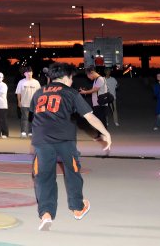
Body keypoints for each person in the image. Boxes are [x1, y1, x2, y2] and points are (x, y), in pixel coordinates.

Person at [31, 63, 111, 231]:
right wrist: (105, 133)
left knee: (43, 177)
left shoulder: (39, 92)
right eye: (72, 77)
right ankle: (77, 207)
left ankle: (46, 214)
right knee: (72, 172)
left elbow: (34, 112)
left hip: (41, 140)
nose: (72, 81)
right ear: (66, 77)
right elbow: (89, 117)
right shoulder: (70, 93)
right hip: (65, 140)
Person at [79, 67, 108, 139]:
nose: (88, 77)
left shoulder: (100, 79)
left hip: (101, 103)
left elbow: (95, 90)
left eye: (88, 75)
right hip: (97, 103)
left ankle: (104, 135)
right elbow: (94, 90)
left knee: (101, 120)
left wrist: (85, 92)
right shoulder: (97, 80)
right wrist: (85, 90)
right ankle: (100, 135)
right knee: (99, 120)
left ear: (91, 72)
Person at [15, 66, 41, 138]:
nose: (29, 74)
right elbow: (18, 93)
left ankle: (31, 132)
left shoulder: (36, 82)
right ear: (24, 74)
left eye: (30, 72)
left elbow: (39, 93)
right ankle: (23, 132)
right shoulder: (21, 82)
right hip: (24, 103)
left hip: (34, 104)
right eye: (27, 73)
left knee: (33, 119)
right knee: (24, 118)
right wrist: (19, 102)